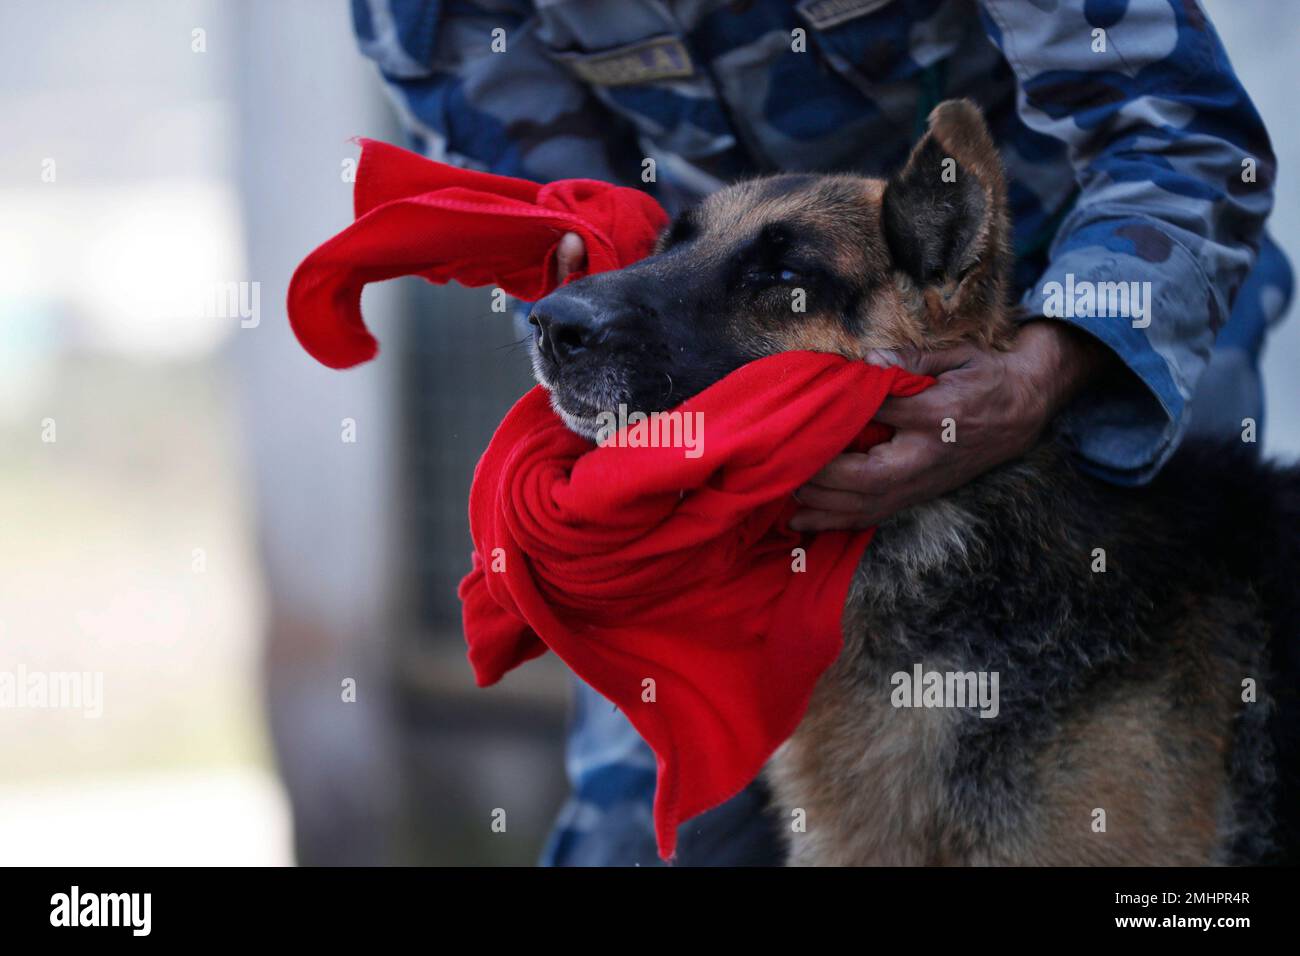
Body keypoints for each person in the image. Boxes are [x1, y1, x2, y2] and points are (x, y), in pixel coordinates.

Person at [350, 0, 1292, 865]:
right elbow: (560, 215)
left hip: (1109, 300)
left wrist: (1039, 373)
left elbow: (1182, 134)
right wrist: (603, 287)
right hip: (727, 371)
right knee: (639, 839)